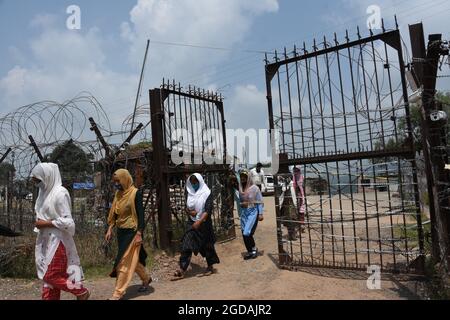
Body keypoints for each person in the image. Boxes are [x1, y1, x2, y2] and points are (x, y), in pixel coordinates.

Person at [31, 163, 90, 300]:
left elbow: (68, 222)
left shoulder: (60, 193)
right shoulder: (44, 193)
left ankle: (80, 291)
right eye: (35, 181)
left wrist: (46, 223)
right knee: (49, 284)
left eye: (39, 181)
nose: (37, 184)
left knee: (50, 276)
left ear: (47, 177)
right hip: (46, 241)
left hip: (57, 241)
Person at [105, 169, 152, 300]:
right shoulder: (118, 194)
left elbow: (141, 216)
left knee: (123, 262)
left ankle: (118, 293)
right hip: (121, 233)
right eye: (115, 182)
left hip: (132, 232)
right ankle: (146, 278)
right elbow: (114, 213)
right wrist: (110, 229)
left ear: (125, 179)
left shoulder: (135, 193)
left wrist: (139, 233)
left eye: (118, 181)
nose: (116, 184)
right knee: (132, 260)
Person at [171, 173, 220, 281]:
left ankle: (210, 266)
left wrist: (199, 221)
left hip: (204, 224)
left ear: (200, 182)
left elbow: (208, 210)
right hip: (192, 222)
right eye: (192, 182)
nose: (193, 184)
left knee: (207, 246)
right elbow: (187, 208)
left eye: (195, 182)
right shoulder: (190, 193)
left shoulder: (207, 193)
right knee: (186, 243)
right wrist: (189, 212)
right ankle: (182, 269)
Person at [239, 171, 264, 260]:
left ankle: (254, 249)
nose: (242, 179)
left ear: (248, 177)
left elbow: (259, 201)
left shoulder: (255, 188)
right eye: (241, 177)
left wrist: (260, 213)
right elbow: (241, 202)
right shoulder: (241, 189)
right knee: (244, 233)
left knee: (247, 232)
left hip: (252, 213)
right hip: (243, 214)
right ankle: (250, 252)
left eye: (244, 177)